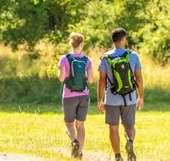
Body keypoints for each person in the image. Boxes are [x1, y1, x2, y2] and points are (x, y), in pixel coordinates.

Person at [97, 28, 143, 161]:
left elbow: (101, 81)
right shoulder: (133, 56)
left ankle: (117, 156)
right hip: (130, 98)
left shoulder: (105, 58)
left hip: (111, 99)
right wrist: (140, 97)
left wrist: (100, 100)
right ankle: (130, 141)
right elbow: (139, 78)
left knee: (113, 128)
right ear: (123, 39)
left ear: (113, 40)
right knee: (129, 126)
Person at [58, 32, 94, 159]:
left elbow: (61, 78)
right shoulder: (87, 60)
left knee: (69, 124)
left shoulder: (64, 58)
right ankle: (79, 153)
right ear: (82, 44)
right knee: (80, 126)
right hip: (84, 96)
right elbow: (90, 80)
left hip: (69, 95)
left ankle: (74, 142)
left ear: (70, 43)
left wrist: (61, 72)